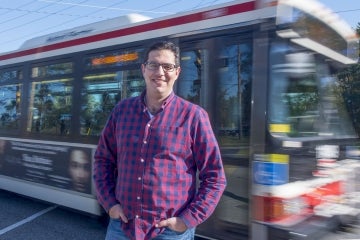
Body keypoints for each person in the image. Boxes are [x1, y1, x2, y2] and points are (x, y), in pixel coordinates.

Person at [93, 41, 227, 240]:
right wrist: (110, 204)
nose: (160, 72)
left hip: (170, 233)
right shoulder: (122, 112)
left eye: (168, 66)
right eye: (153, 65)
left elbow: (215, 177)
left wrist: (188, 219)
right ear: (143, 69)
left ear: (177, 72)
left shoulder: (193, 117)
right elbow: (103, 160)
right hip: (122, 227)